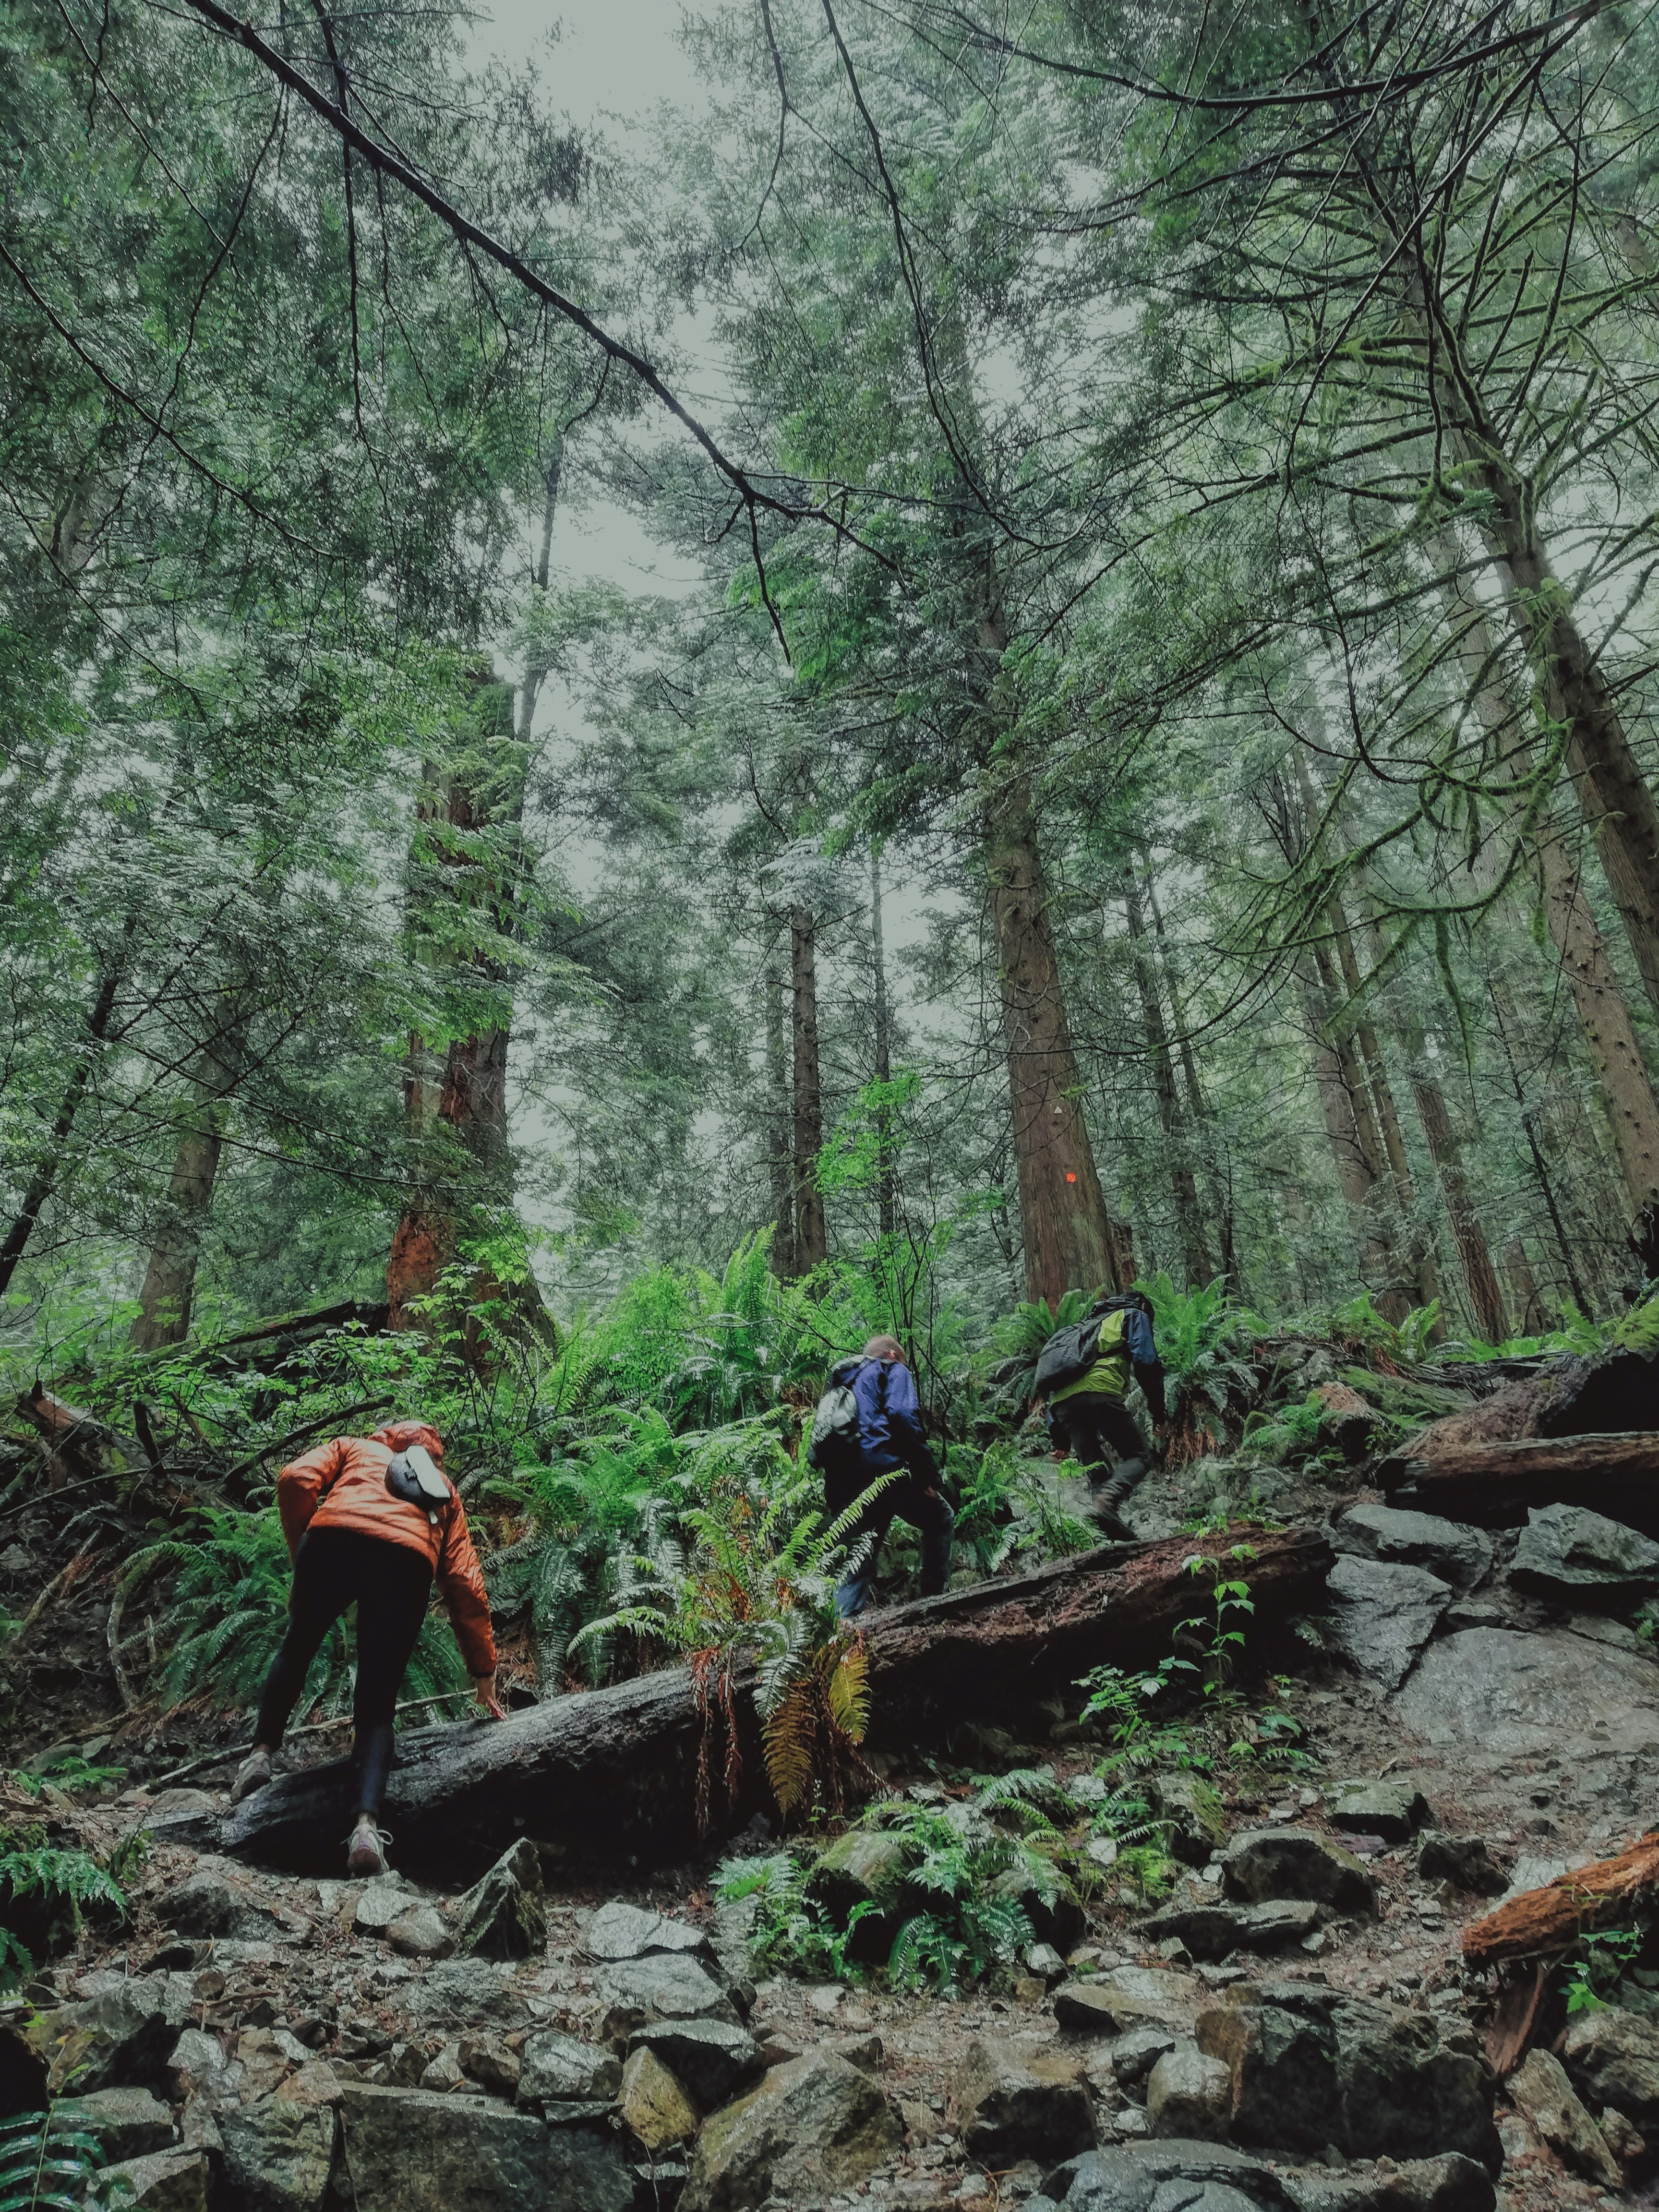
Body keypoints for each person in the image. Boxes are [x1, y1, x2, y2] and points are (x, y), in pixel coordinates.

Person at [229, 1418, 504, 1875]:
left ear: (388, 1434)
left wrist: (304, 1552)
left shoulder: (354, 1448)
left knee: (297, 1647)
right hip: (406, 1561)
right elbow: (465, 1582)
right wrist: (483, 1671)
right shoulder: (444, 1493)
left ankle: (260, 1757)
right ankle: (365, 1830)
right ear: (435, 1455)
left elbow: (295, 1478)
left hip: (332, 1540)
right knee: (377, 1704)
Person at [823, 1335, 954, 1618]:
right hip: (884, 1469)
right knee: (941, 1519)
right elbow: (902, 1412)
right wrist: (928, 1476)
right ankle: (933, 1608)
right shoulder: (891, 1369)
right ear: (893, 1355)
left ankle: (840, 1642)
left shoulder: (847, 1384)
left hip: (845, 1484)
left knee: (856, 1563)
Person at [1042, 1293, 1168, 1540]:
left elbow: (1055, 1378)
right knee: (1139, 1458)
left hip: (1062, 1406)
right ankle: (1107, 1501)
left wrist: (1059, 1441)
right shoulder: (1133, 1315)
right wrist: (1159, 1414)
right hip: (1099, 1392)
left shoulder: (1076, 1330)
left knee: (1097, 1470)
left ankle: (1107, 1531)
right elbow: (1146, 1362)